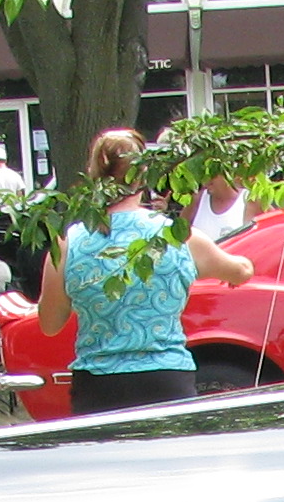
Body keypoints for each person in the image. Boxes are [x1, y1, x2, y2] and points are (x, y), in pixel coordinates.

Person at [33, 128, 253, 414]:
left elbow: (49, 324)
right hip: (167, 380)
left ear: (93, 174)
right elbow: (241, 271)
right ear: (144, 173)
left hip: (98, 388)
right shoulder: (176, 236)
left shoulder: (69, 243)